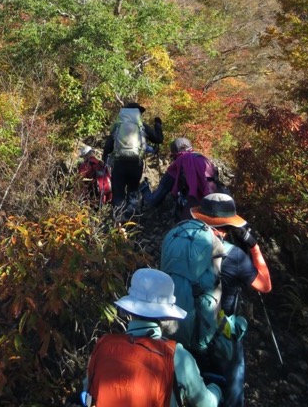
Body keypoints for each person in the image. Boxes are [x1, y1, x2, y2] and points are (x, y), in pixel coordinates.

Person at [82, 268, 222, 407]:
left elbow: (88, 391)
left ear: (130, 310)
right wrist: (217, 390)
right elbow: (207, 404)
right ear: (167, 316)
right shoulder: (177, 356)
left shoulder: (104, 347)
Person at [190, 193, 272, 407]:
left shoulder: (187, 243)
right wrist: (253, 247)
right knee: (232, 391)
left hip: (186, 325)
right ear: (229, 224)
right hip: (220, 330)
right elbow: (265, 285)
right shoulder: (234, 256)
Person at [103, 102, 163, 217]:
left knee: (118, 192)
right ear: (137, 113)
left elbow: (108, 147)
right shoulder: (142, 126)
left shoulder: (118, 126)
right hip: (136, 163)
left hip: (119, 163)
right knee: (133, 191)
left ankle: (119, 220)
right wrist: (157, 125)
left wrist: (105, 160)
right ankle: (131, 219)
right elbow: (158, 140)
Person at [142, 137, 220, 220]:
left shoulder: (178, 163)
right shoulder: (203, 159)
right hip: (216, 203)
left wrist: (144, 188)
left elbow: (155, 199)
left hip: (194, 209)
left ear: (175, 153)